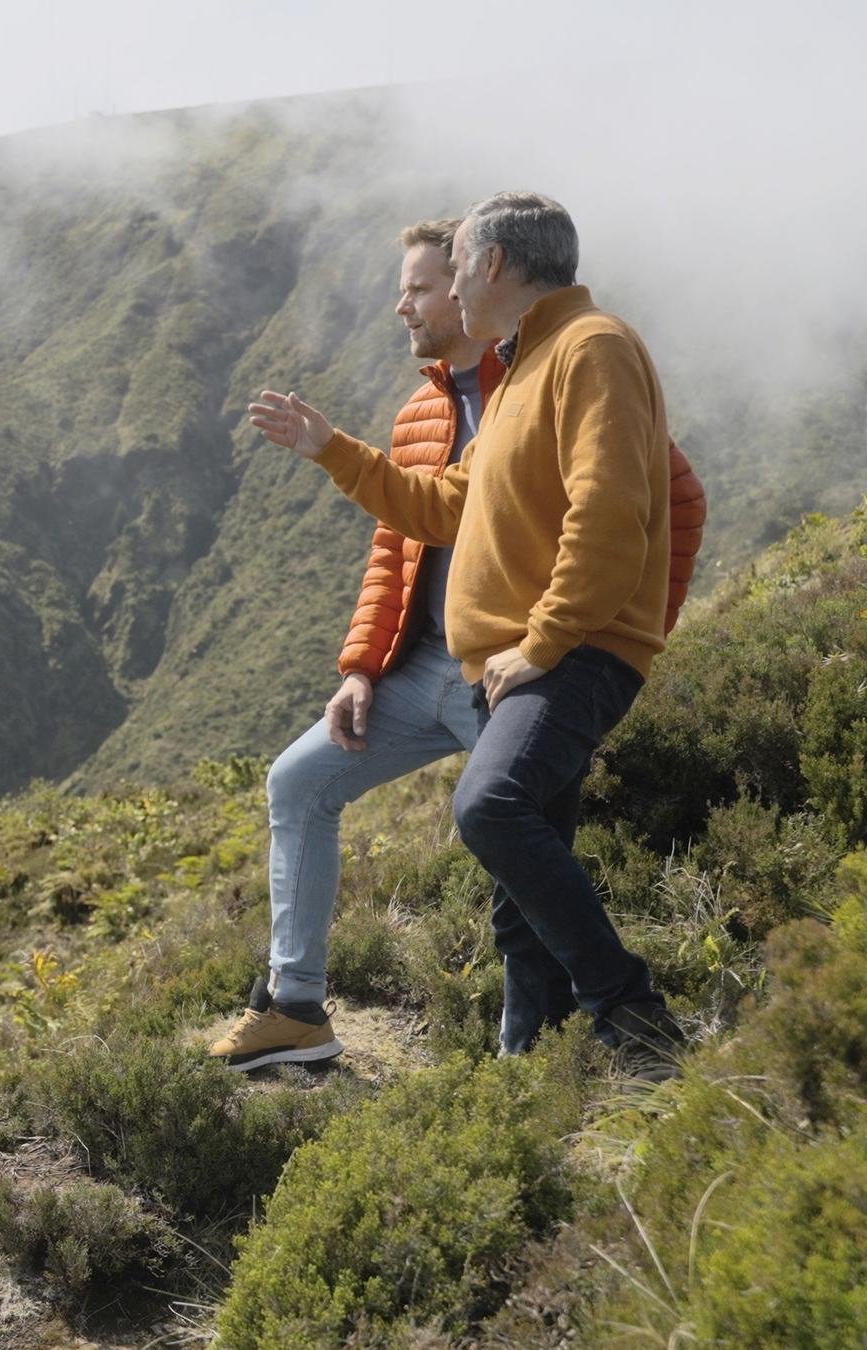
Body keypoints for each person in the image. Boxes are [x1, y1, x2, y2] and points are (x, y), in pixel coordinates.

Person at [237, 194, 704, 1080]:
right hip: (511, 659)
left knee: (489, 809)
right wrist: (333, 449)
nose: (443, 291)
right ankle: (542, 1070)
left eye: (451, 271)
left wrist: (549, 640)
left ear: (492, 268)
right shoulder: (529, 364)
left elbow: (612, 512)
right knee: (517, 887)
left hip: (563, 654)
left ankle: (633, 1014)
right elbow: (445, 505)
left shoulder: (591, 348)